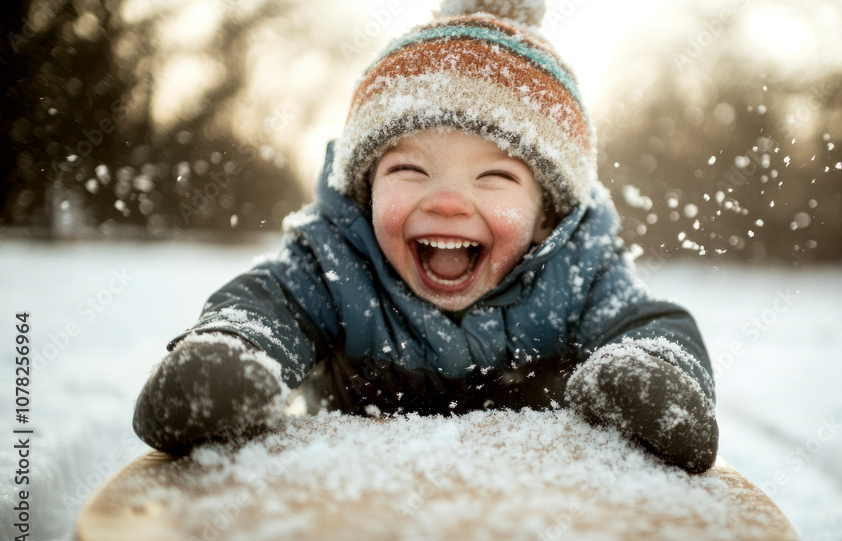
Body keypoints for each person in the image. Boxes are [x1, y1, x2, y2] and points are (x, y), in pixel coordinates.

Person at [132, 0, 719, 473]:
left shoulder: (579, 267)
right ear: (365, 192)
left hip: (525, 511)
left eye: (494, 177)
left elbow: (647, 319)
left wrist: (654, 369)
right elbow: (271, 301)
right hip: (357, 498)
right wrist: (237, 349)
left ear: (547, 217)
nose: (446, 201)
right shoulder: (338, 258)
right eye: (409, 170)